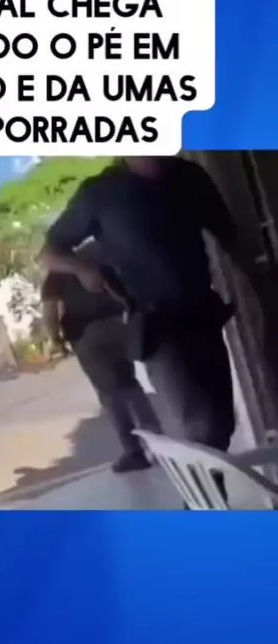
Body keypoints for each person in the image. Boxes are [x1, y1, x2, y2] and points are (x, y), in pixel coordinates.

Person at [41, 157, 260, 485]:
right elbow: (49, 252)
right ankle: (200, 506)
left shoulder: (189, 177)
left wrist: (260, 287)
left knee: (221, 425)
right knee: (199, 425)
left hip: (202, 315)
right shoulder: (100, 192)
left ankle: (204, 501)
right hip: (156, 327)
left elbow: (231, 237)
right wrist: (83, 271)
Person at [41, 241, 159, 473]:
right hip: (118, 325)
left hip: (87, 336)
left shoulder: (55, 275)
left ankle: (134, 451)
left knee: (110, 394)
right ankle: (158, 439)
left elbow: (49, 315)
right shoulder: (97, 255)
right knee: (130, 384)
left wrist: (56, 339)